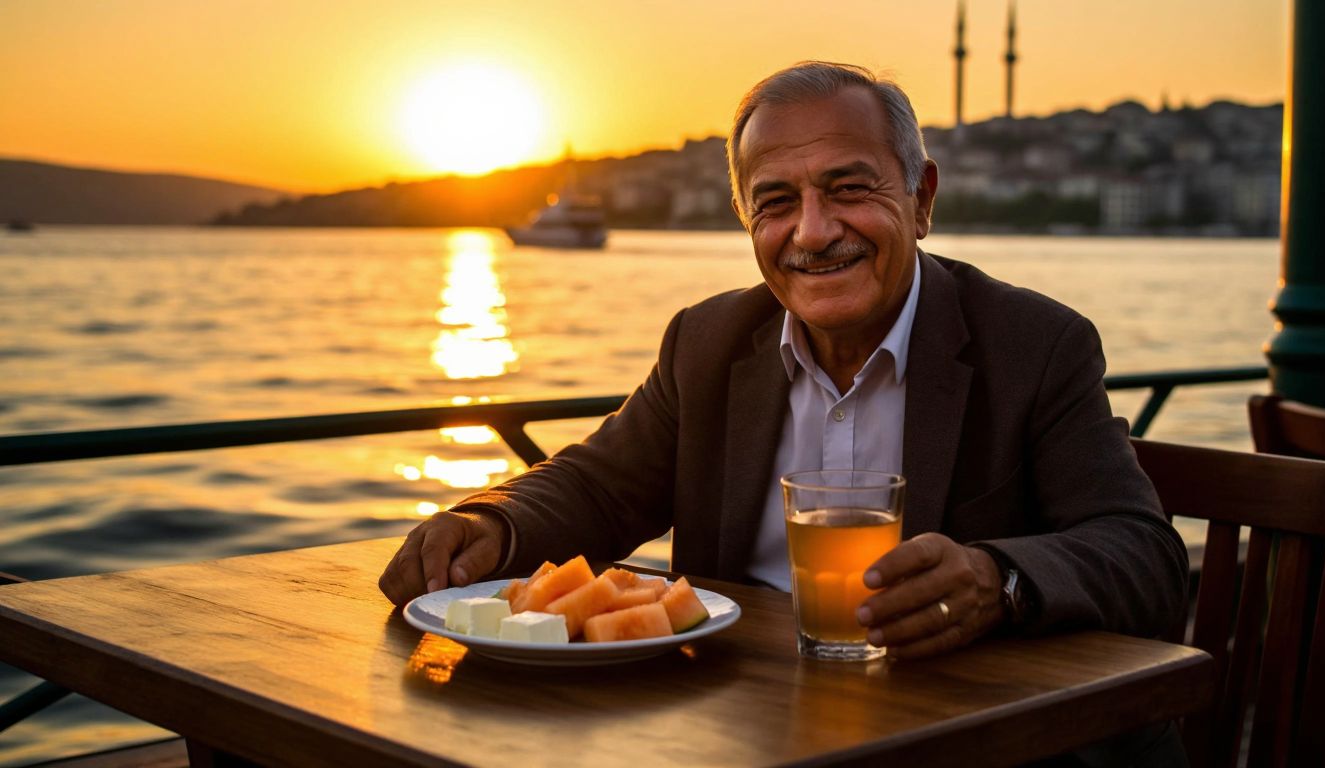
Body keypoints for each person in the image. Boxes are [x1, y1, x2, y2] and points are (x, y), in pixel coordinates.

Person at [380, 62, 1187, 664]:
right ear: (746, 219)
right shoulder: (708, 342)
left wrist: (996, 579)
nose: (811, 231)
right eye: (775, 202)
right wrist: (491, 520)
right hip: (744, 725)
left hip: (975, 734)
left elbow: (1143, 556)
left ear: (922, 198)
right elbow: (596, 484)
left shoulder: (1035, 344)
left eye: (848, 188)